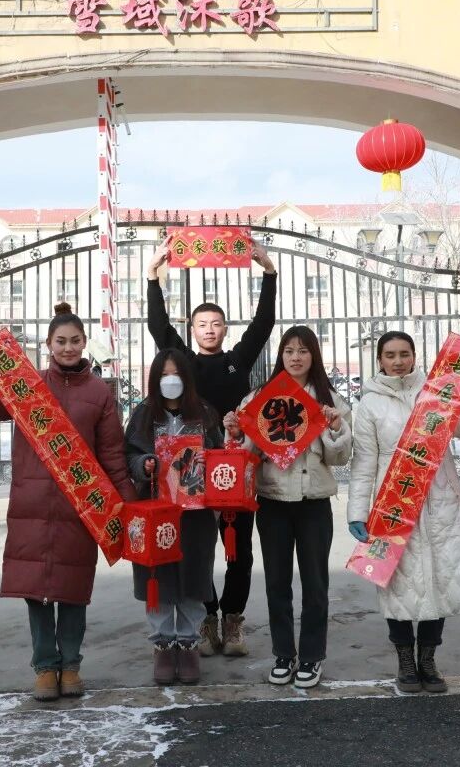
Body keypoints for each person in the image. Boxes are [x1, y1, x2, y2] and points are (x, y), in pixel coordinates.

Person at [0, 304, 138, 702]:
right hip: (32, 502)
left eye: (75, 341)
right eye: (61, 341)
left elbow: (112, 454)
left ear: (85, 343)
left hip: (81, 506)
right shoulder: (29, 386)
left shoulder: (99, 393)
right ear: (48, 344)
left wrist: (127, 505)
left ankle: (71, 664)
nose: (68, 348)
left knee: (74, 587)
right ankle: (45, 666)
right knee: (36, 588)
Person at [146, 239, 277, 659]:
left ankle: (233, 620)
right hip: (192, 472)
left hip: (236, 470)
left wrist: (269, 273)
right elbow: (158, 328)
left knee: (240, 552)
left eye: (216, 323)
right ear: (193, 329)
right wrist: (152, 277)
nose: (208, 329)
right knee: (199, 551)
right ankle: (206, 619)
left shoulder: (238, 360)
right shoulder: (183, 363)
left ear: (224, 329)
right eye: (202, 324)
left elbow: (263, 324)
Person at [346, 332, 460, 693]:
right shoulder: (369, 404)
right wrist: (357, 511)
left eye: (404, 354)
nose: (398, 361)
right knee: (395, 583)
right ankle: (405, 661)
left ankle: (428, 660)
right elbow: (364, 462)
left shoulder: (437, 391)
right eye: (390, 355)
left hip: (439, 498)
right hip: (393, 502)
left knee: (439, 579)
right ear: (380, 360)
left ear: (414, 356)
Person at [224, 325, 353, 689]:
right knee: (277, 583)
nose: (296, 357)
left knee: (315, 584)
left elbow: (340, 457)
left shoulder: (330, 400)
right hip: (273, 501)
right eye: (289, 351)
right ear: (281, 356)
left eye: (303, 351)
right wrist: (235, 432)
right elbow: (243, 454)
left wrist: (334, 427)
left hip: (314, 502)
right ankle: (284, 653)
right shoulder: (259, 398)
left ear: (314, 356)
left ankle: (312, 656)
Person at [124, 349, 225, 685]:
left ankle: (189, 643)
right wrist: (144, 465)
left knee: (193, 578)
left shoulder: (204, 413)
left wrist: (209, 461)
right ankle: (164, 644)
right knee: (160, 579)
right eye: (164, 375)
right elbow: (128, 455)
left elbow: (220, 454)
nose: (171, 381)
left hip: (196, 514)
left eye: (177, 374)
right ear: (155, 379)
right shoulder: (143, 414)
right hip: (156, 511)